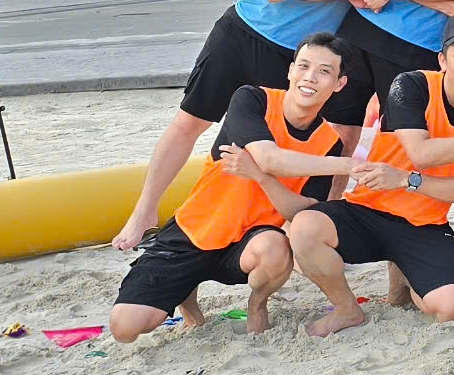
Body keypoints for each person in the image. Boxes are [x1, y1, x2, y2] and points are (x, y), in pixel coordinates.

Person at [110, 0, 378, 252]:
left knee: (273, 143)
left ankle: (306, 225)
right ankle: (144, 210)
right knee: (189, 121)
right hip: (241, 31)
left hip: (291, 59)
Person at [107, 33, 355, 342]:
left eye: (324, 71)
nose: (310, 77)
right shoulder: (252, 99)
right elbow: (269, 158)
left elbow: (300, 210)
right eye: (303, 66)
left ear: (339, 83)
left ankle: (257, 305)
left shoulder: (329, 141)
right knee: (125, 328)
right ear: (291, 70)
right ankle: (188, 299)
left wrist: (261, 177)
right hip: (194, 232)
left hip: (250, 243)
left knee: (276, 248)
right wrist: (348, 165)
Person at [285, 11, 454, 335]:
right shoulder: (412, 84)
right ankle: (347, 309)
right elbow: (420, 153)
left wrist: (407, 180)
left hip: (424, 225)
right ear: (442, 59)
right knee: (304, 228)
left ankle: (407, 276)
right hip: (367, 210)